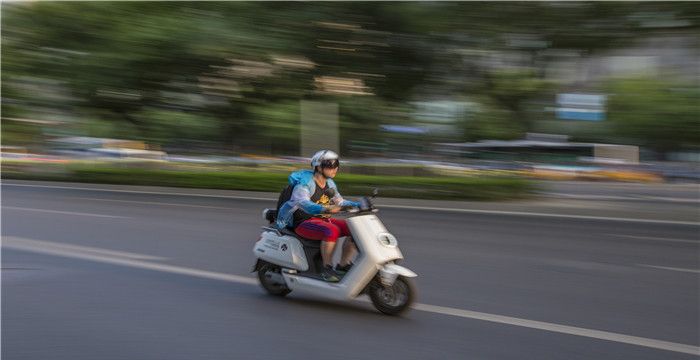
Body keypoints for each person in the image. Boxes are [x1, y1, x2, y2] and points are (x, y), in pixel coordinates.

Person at [276, 150, 360, 282]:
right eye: (330, 164)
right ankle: (326, 268)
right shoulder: (304, 184)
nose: (335, 168)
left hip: (321, 219)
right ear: (318, 167)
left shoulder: (330, 184)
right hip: (303, 222)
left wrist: (359, 204)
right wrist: (325, 208)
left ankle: (343, 265)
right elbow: (303, 203)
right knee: (331, 230)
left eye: (336, 164)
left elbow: (340, 202)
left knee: (354, 228)